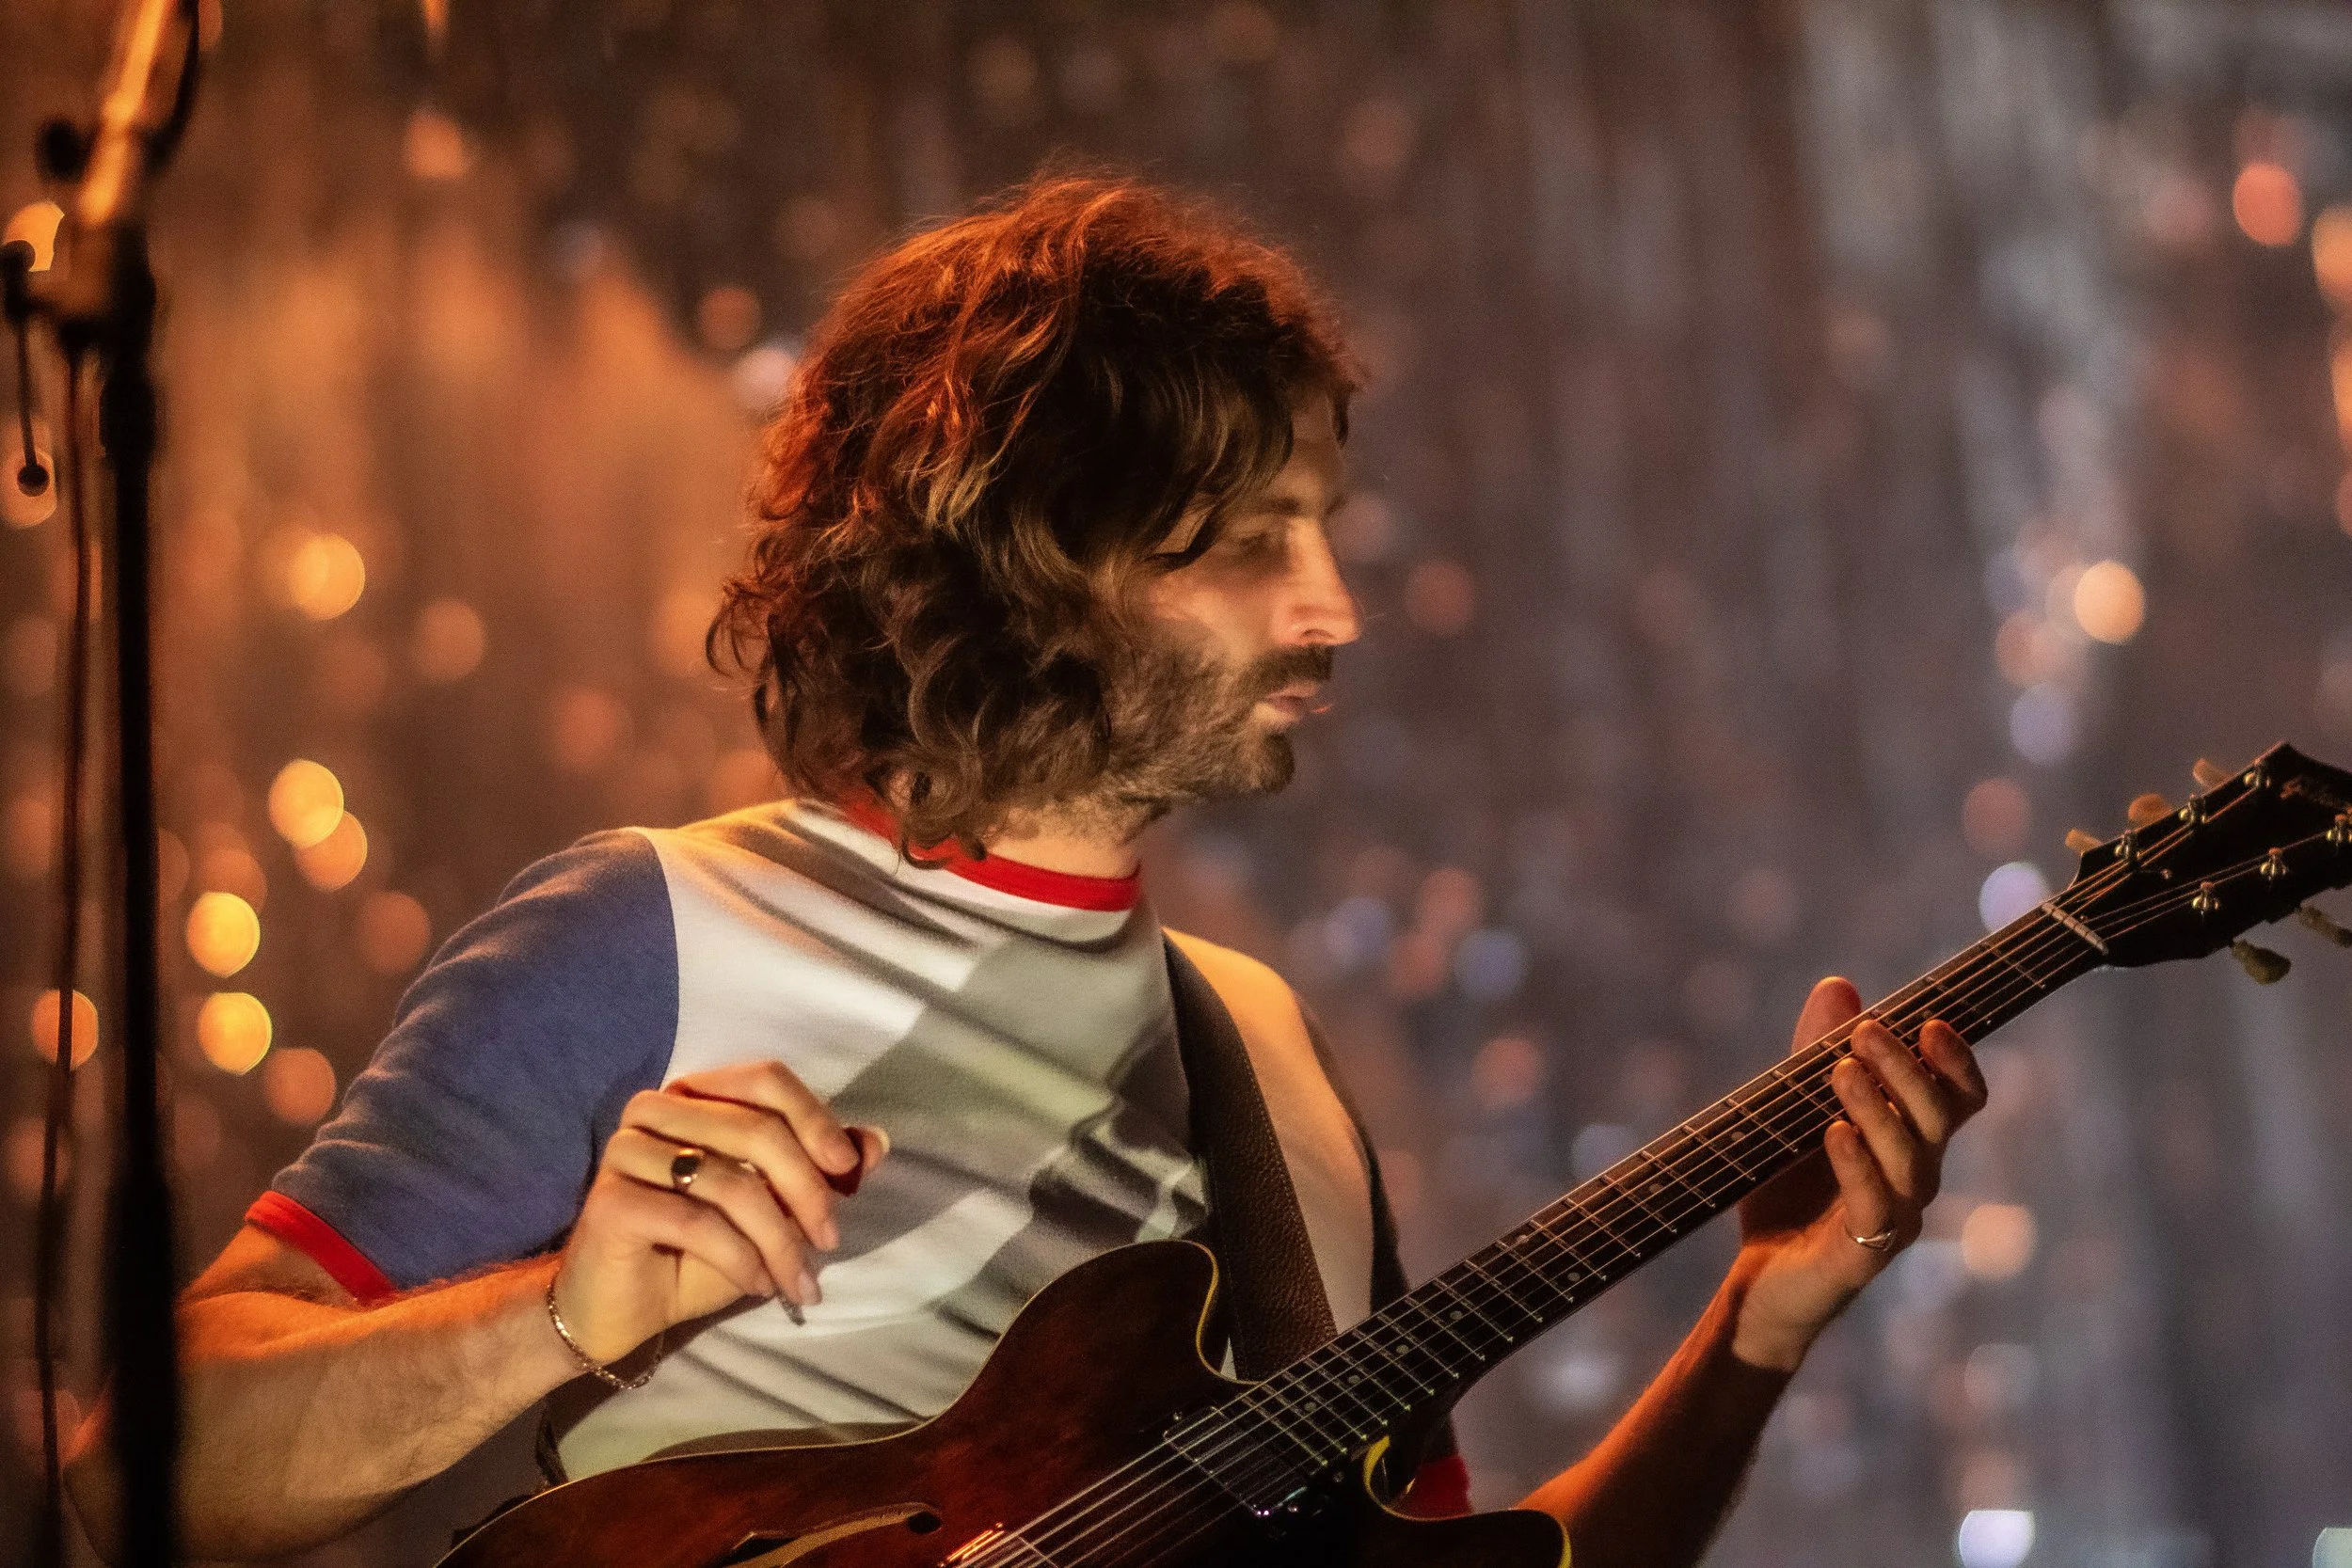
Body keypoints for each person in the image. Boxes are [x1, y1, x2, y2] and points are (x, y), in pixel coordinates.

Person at [67, 176, 1985, 1567]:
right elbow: (150, 1462)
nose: (1326, 603)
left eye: (1323, 525)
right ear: (1028, 551)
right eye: (1243, 537)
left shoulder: (1269, 1057)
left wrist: (1761, 1323)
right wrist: (555, 1313)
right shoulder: (649, 932)